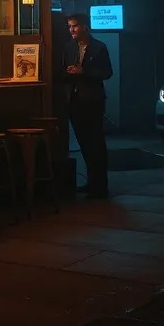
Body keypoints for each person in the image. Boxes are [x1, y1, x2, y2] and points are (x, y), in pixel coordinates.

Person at [62, 13, 113, 199]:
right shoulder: (68, 47)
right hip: (74, 101)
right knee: (84, 143)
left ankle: (100, 185)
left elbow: (107, 72)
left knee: (96, 143)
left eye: (74, 26)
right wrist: (68, 73)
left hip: (92, 101)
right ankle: (92, 182)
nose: (71, 30)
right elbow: (62, 70)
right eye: (69, 26)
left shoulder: (99, 47)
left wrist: (84, 72)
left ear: (84, 27)